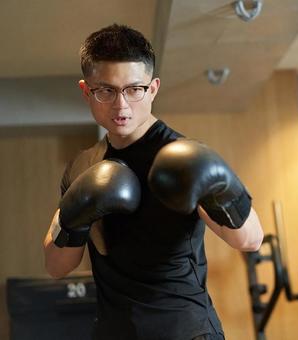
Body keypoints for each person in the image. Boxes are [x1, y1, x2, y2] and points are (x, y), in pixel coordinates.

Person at [42, 23, 264, 340]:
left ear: (154, 88)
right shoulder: (82, 166)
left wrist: (220, 187)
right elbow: (56, 266)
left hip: (185, 331)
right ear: (85, 91)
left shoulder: (183, 160)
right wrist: (75, 217)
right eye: (106, 91)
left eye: (135, 89)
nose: (121, 105)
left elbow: (250, 239)